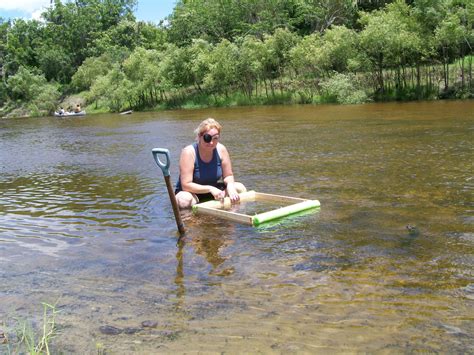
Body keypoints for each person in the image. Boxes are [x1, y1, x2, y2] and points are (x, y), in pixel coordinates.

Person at [175, 118, 246, 209]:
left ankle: (231, 218)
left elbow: (228, 175)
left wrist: (230, 187)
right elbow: (186, 185)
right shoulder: (189, 152)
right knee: (184, 200)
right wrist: (210, 189)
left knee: (239, 188)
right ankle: (192, 221)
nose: (211, 142)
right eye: (207, 138)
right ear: (199, 137)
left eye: (215, 138)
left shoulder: (221, 149)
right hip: (192, 194)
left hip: (215, 191)